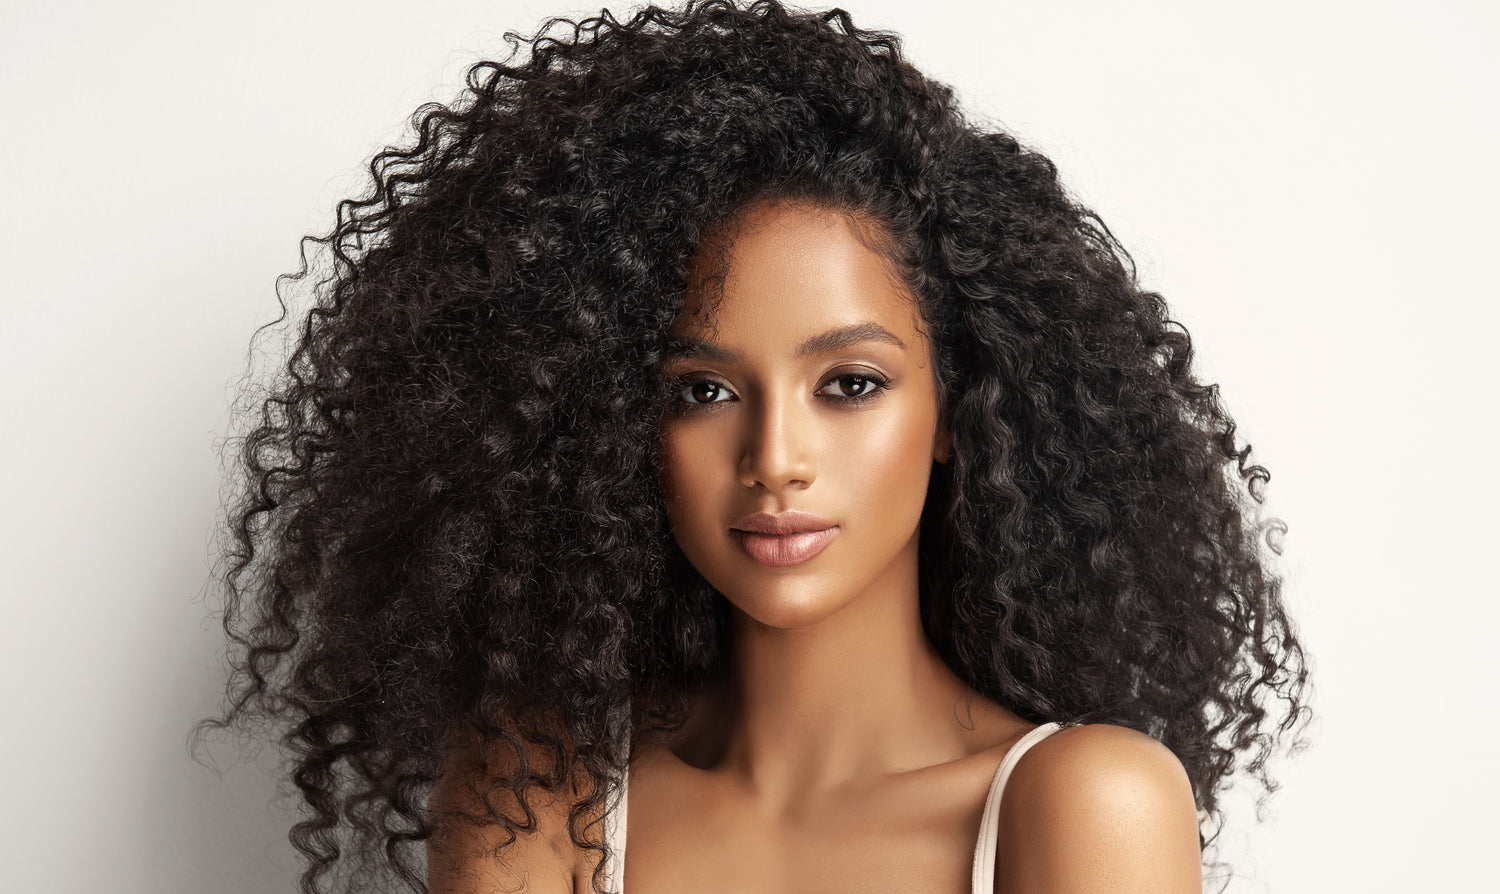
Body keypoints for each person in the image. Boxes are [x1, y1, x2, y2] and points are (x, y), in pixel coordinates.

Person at [205, 1, 1308, 892]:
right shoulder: (538, 796)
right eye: (702, 391)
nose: (775, 458)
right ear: (609, 427)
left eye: (850, 385)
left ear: (957, 415)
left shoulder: (1080, 802)